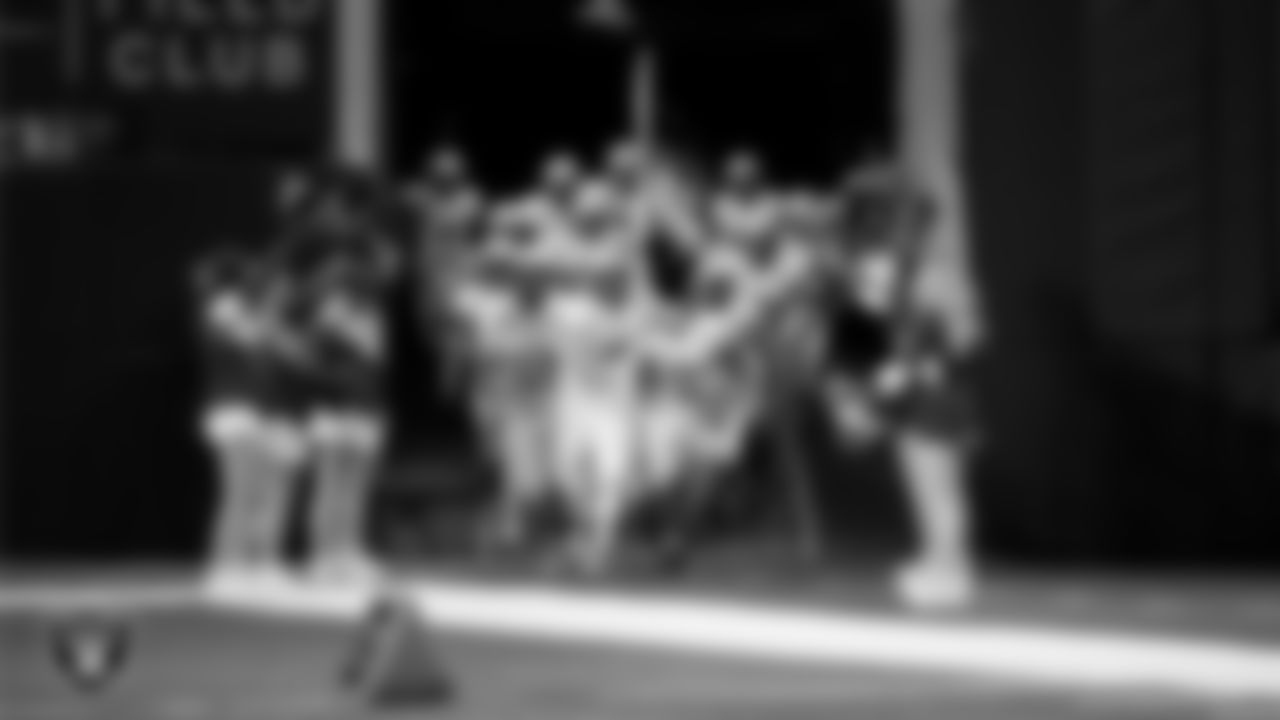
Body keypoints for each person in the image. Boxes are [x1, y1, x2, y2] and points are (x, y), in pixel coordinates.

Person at [823, 167, 980, 611]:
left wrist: (913, 365)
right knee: (930, 481)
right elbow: (864, 331)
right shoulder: (902, 270)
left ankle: (951, 571)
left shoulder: (924, 274)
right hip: (926, 386)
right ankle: (941, 561)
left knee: (936, 483)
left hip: (933, 389)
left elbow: (958, 337)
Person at [197, 248, 310, 591]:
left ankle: (259, 563)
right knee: (239, 491)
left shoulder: (259, 315)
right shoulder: (225, 308)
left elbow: (294, 356)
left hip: (258, 412)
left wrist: (276, 323)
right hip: (233, 411)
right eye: (277, 287)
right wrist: (271, 319)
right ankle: (225, 565)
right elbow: (251, 342)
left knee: (261, 491)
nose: (283, 293)